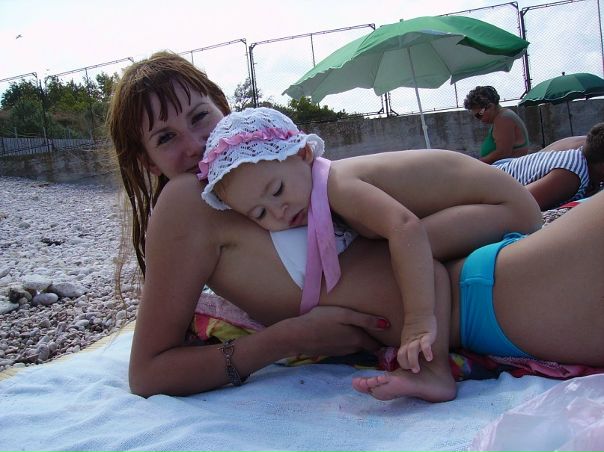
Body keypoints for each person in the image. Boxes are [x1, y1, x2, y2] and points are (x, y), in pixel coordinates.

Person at [109, 51, 604, 403]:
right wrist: (288, 338)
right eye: (166, 138)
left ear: (222, 106)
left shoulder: (267, 174)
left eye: (200, 117)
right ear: (146, 162)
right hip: (492, 294)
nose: (195, 145)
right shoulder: (196, 198)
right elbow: (150, 372)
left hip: (490, 286)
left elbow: (402, 227)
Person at [197, 107, 542, 383]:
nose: (279, 212)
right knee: (404, 257)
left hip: (508, 207)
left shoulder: (336, 183)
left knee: (409, 257)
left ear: (303, 154)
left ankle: (434, 370)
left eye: (277, 191)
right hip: (490, 205)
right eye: (259, 213)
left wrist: (418, 321)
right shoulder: (312, 192)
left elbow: (406, 228)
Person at [492, 122, 604, 210]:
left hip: (501, 172)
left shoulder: (582, 157)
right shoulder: (572, 175)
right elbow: (518, 204)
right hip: (492, 185)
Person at [464, 86, 530, 164]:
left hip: (508, 168)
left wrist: (477, 163)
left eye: (479, 115)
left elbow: (503, 153)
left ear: (490, 106)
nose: (479, 119)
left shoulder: (503, 119)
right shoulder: (501, 118)